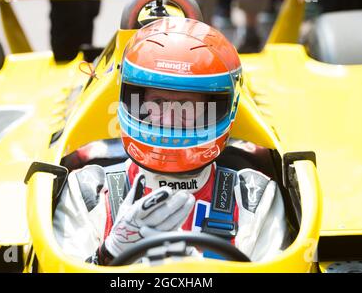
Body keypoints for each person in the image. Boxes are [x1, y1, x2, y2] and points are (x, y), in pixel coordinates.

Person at [53, 17, 289, 265]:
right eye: (158, 103)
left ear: (220, 109)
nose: (169, 118)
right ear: (135, 102)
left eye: (187, 107)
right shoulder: (87, 191)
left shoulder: (255, 197)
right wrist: (109, 253)